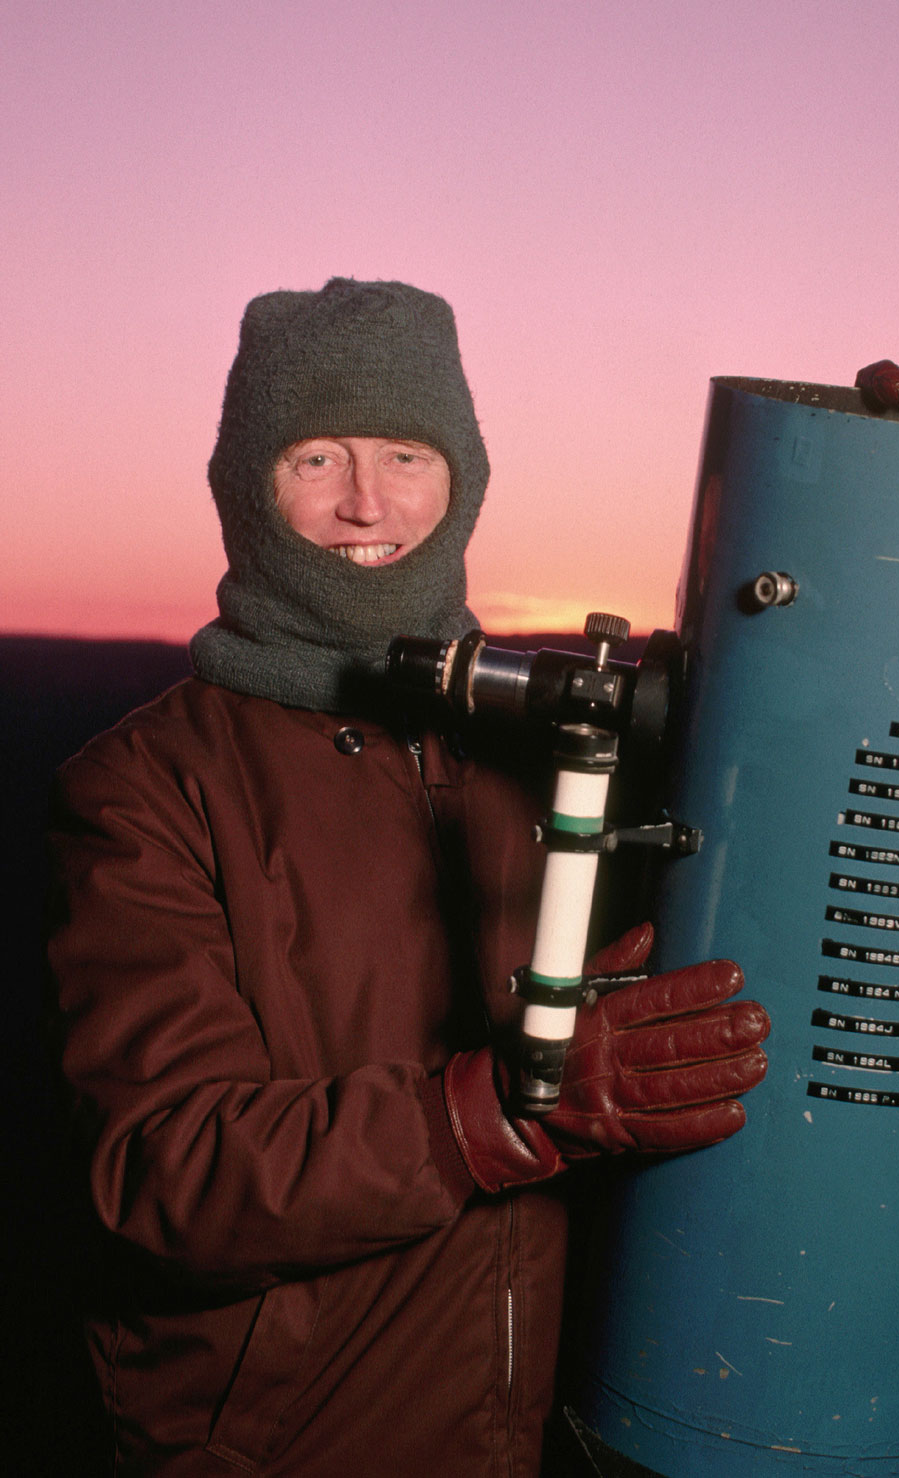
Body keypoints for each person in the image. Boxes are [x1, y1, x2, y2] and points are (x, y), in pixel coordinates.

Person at [46, 277, 771, 1477]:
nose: (366, 501)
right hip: (294, 1444)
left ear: (465, 480)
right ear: (247, 486)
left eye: (405, 453)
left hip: (552, 1431)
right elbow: (161, 1170)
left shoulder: (559, 746)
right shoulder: (147, 787)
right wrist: (500, 1112)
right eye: (315, 457)